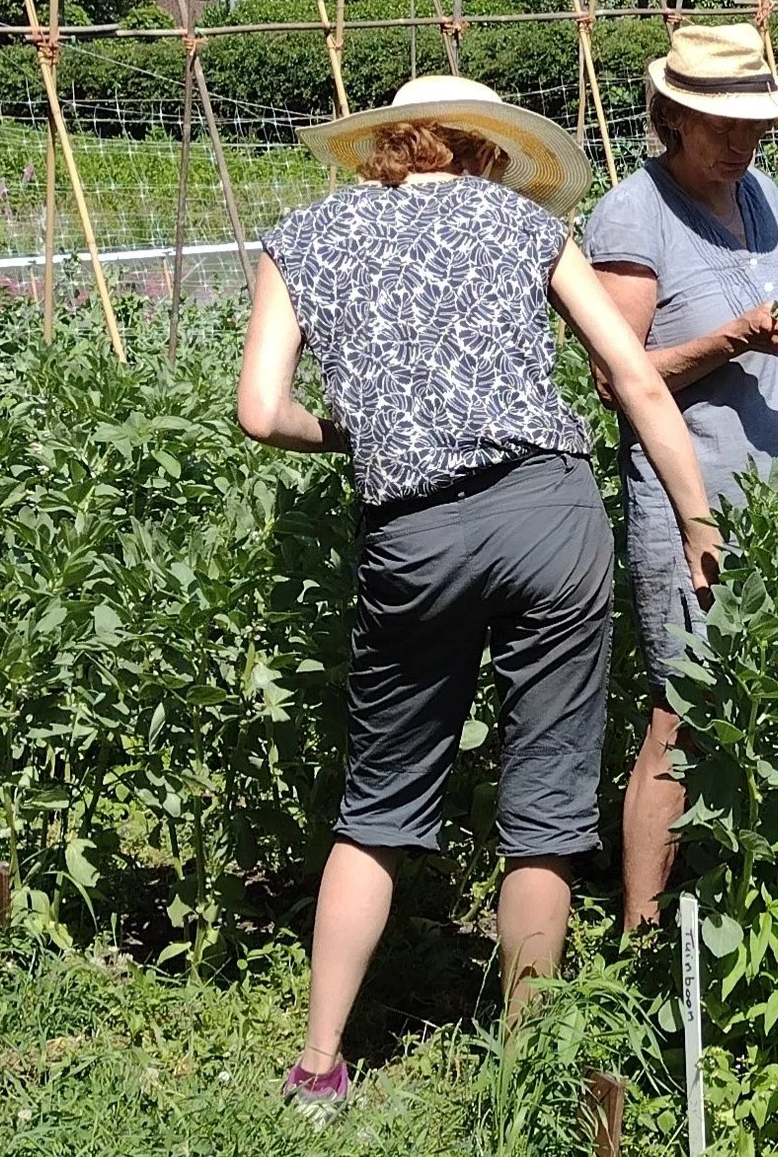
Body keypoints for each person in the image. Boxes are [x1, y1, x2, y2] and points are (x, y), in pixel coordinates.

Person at [236, 75, 719, 1108]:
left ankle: (319, 1067)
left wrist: (352, 435)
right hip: (549, 514)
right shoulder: (518, 221)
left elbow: (258, 410)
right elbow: (633, 376)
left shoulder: (303, 235)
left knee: (377, 802)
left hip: (413, 535)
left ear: (386, 144)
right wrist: (695, 515)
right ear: (485, 148)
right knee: (544, 805)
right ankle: (527, 1067)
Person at [581, 23, 778, 932]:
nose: (744, 141)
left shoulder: (763, 196)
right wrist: (733, 338)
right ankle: (642, 931)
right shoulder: (634, 216)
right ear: (672, 115)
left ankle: (757, 901)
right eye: (722, 124)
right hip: (699, 505)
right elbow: (618, 373)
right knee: (685, 716)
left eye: (754, 123)